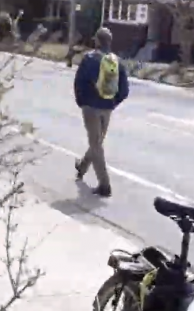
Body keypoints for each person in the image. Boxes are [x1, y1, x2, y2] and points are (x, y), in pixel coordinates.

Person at [73, 28, 129, 198]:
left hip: (91, 107)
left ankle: (105, 185)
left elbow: (79, 83)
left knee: (96, 144)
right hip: (107, 107)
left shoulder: (89, 59)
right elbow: (124, 91)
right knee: (97, 141)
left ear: (97, 41)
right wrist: (112, 103)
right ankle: (82, 166)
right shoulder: (117, 62)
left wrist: (81, 101)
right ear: (110, 42)